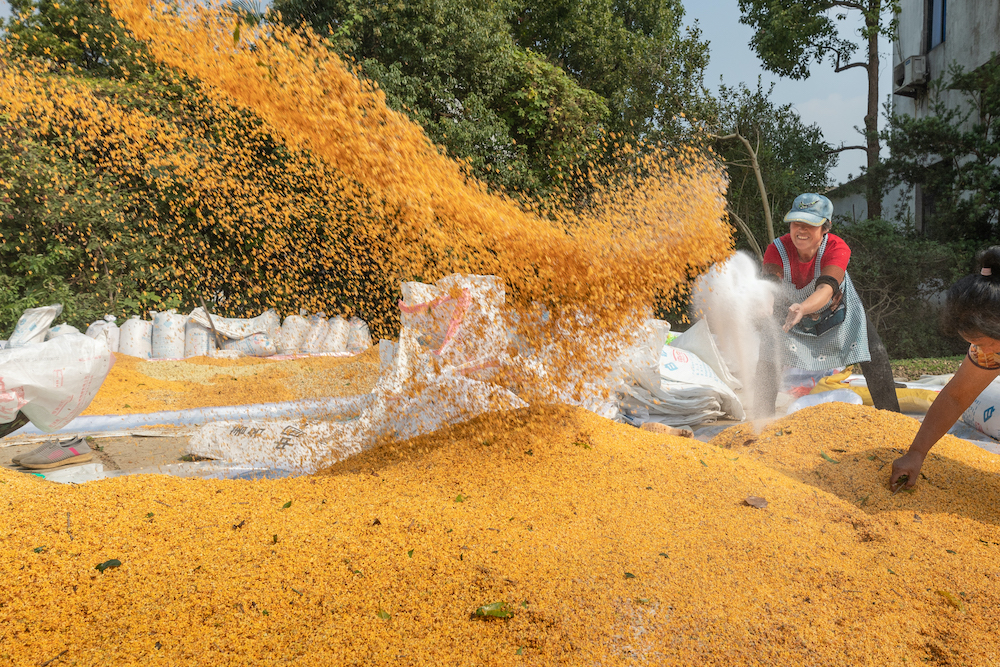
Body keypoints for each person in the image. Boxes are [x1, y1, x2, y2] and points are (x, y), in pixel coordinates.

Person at [754, 193, 900, 416]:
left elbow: (826, 288)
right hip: (789, 311)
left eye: (809, 225)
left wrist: (803, 308)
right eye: (796, 224)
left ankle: (893, 419)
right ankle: (759, 420)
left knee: (874, 351)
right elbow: (770, 286)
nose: (801, 231)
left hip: (837, 310)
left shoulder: (836, 248)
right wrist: (764, 304)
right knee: (768, 351)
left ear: (825, 228)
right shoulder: (777, 249)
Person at [891, 247, 1000, 491]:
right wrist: (917, 452)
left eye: (985, 342)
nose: (983, 350)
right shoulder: (988, 351)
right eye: (975, 343)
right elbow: (955, 396)